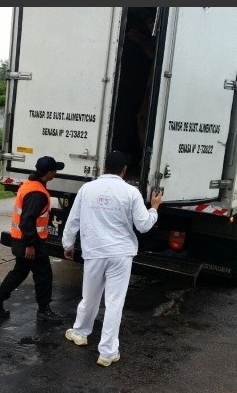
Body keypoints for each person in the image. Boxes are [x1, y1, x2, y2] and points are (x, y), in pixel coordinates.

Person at [61, 151, 163, 366]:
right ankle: (107, 352)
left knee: (89, 297)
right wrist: (154, 208)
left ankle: (80, 332)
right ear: (124, 170)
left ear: (104, 167)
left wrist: (68, 245)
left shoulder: (87, 189)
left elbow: (73, 220)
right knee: (114, 302)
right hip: (121, 254)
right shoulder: (131, 192)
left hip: (94, 252)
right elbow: (143, 226)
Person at [0, 156, 66, 324]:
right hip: (31, 243)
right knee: (44, 275)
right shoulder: (37, 193)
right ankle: (44, 310)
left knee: (19, 272)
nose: (56, 173)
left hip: (21, 240)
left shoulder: (30, 184)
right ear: (49, 173)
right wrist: (30, 245)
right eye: (55, 171)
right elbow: (27, 221)